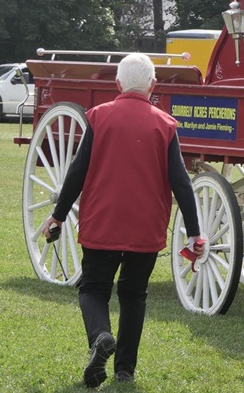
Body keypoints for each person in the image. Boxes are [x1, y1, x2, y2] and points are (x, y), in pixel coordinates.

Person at [40, 53, 205, 388]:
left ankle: (101, 336)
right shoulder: (165, 125)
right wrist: (195, 233)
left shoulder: (99, 118)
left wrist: (58, 215)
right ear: (153, 86)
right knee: (134, 295)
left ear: (117, 84)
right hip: (146, 229)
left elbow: (77, 172)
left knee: (93, 289)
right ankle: (124, 370)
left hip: (102, 223)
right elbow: (182, 184)